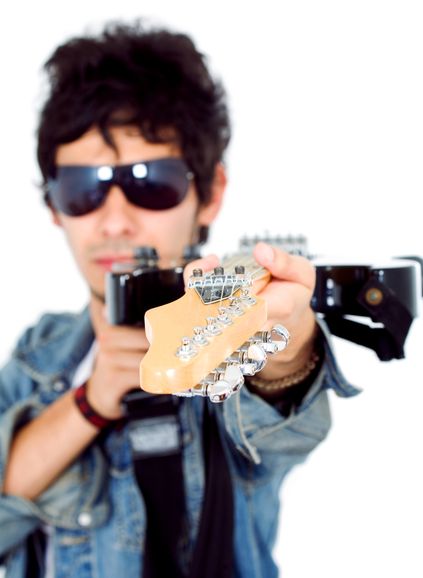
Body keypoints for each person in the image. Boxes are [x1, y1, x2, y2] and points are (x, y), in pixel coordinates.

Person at [0, 21, 358, 578]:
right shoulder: (40, 355)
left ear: (210, 193)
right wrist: (93, 400)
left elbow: (283, 424)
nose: (114, 221)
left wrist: (282, 345)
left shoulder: (231, 338)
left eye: (150, 181)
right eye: (82, 188)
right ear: (52, 204)